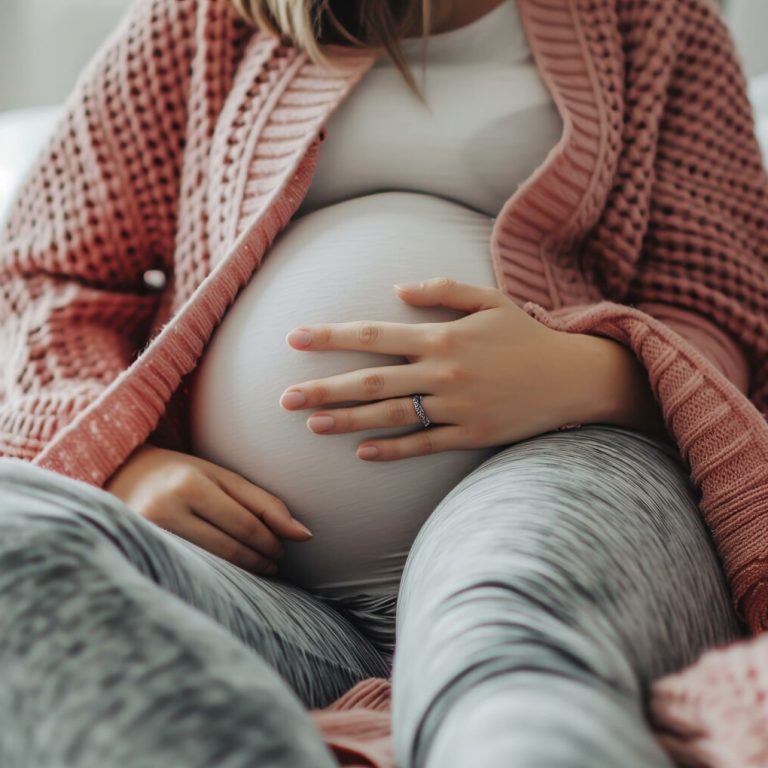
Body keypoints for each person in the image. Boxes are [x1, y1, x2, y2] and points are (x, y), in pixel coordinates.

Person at [1, 0, 767, 766]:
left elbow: (726, 308)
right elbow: (41, 276)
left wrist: (590, 372)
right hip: (268, 591)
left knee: (509, 651)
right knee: (16, 531)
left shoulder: (652, 20)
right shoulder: (210, 19)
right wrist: (125, 463)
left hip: (553, 479)